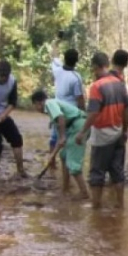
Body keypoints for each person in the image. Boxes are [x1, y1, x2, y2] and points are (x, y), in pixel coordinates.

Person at [76, 51, 128, 209]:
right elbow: (127, 111)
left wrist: (82, 132)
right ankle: (120, 206)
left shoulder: (97, 86)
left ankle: (96, 208)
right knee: (117, 172)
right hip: (118, 133)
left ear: (96, 67)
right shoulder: (120, 83)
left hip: (102, 136)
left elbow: (93, 113)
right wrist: (125, 130)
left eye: (93, 69)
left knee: (97, 173)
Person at [31, 90, 89, 199]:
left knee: (73, 163)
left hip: (78, 126)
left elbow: (61, 117)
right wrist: (53, 154)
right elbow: (60, 138)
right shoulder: (52, 110)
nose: (36, 109)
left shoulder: (49, 103)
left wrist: (62, 137)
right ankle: (65, 188)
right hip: (75, 126)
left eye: (34, 106)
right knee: (63, 155)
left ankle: (84, 192)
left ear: (38, 103)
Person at [49, 36, 86, 173]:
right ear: (76, 62)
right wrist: (84, 115)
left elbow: (53, 54)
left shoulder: (57, 70)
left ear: (64, 59)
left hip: (56, 111)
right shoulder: (76, 77)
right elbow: (80, 99)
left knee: (55, 138)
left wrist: (57, 41)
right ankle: (66, 170)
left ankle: (52, 165)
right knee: (68, 141)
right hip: (70, 115)